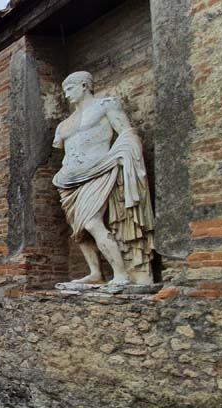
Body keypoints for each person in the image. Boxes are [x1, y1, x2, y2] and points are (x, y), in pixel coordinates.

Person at [52, 71, 154, 286]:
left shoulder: (105, 105)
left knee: (92, 222)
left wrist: (123, 154)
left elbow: (127, 133)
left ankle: (121, 274)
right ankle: (95, 273)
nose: (66, 94)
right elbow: (64, 148)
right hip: (68, 180)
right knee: (79, 230)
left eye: (70, 88)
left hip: (98, 170)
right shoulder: (64, 125)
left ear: (84, 85)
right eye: (64, 90)